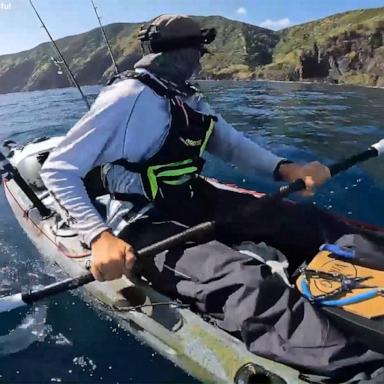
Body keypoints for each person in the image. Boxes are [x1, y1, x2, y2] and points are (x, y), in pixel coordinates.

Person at [41, 15, 384, 382]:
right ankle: (359, 371)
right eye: (197, 52)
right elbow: (58, 169)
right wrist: (99, 236)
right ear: (187, 51)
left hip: (193, 197)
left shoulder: (188, 97)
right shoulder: (128, 97)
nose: (199, 60)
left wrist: (286, 169)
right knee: (244, 283)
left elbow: (232, 145)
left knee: (307, 222)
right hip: (142, 222)